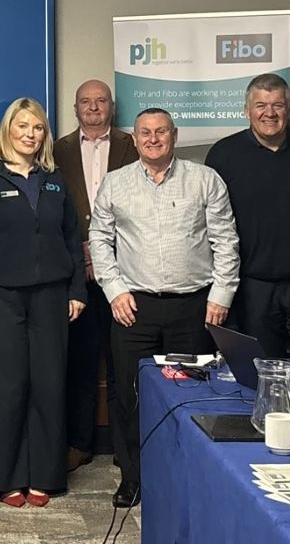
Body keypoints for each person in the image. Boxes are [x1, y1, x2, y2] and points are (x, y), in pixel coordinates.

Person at [89, 108, 240, 508]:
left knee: (191, 395)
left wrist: (221, 295)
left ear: (174, 135)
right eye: (145, 133)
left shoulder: (205, 179)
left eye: (161, 132)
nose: (153, 139)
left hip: (193, 308)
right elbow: (99, 240)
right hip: (133, 308)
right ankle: (133, 478)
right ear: (135, 139)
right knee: (130, 397)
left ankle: (186, 478)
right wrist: (114, 290)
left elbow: (226, 240)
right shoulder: (116, 183)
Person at [0, 97, 86, 507]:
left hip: (51, 296)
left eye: (37, 128)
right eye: (22, 126)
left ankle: (45, 476)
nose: (30, 134)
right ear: (8, 130)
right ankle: (9, 478)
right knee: (6, 388)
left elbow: (71, 239)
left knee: (49, 385)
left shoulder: (54, 181)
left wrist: (77, 290)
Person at [205, 73, 290, 359]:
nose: (269, 113)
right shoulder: (223, 155)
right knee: (261, 371)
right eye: (261, 105)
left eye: (277, 105)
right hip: (253, 288)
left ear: (289, 109)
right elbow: (213, 225)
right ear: (247, 111)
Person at [53, 79, 137, 473]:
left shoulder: (132, 145)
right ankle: (79, 442)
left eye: (100, 100)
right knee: (80, 363)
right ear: (75, 109)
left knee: (124, 363)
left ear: (111, 106)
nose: (93, 107)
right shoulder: (58, 150)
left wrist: (105, 254)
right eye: (85, 101)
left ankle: (124, 445)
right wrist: (82, 251)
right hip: (77, 274)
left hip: (125, 272)